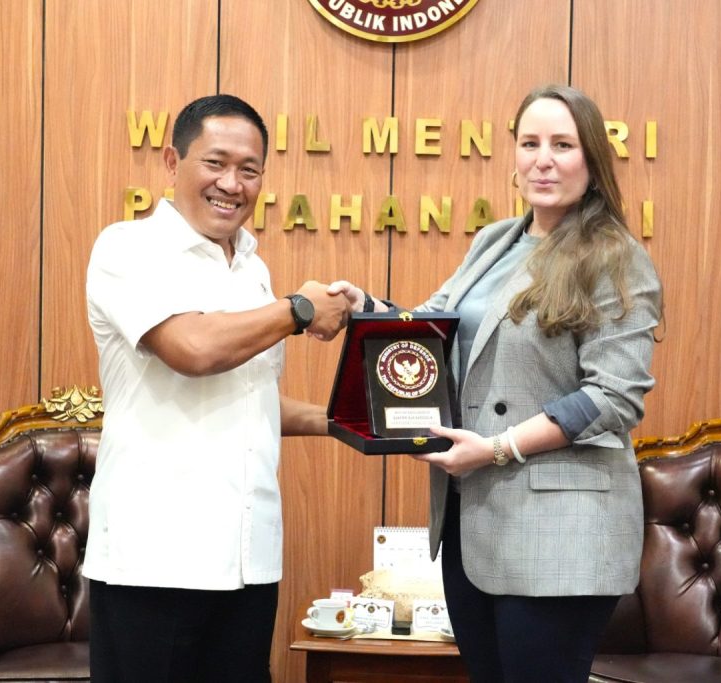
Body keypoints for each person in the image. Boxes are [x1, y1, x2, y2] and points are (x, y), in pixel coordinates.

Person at [330, 84, 662, 682]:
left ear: (592, 158)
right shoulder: (496, 241)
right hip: (474, 518)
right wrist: (367, 309)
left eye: (562, 145)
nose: (543, 160)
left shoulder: (617, 257)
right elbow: (433, 330)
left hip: (561, 532)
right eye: (530, 143)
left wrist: (498, 448)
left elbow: (614, 397)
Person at [84, 94, 349, 683]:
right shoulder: (127, 248)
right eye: (216, 163)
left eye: (249, 170)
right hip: (154, 562)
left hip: (248, 559)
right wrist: (299, 309)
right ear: (171, 162)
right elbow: (193, 350)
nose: (232, 184)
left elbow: (251, 398)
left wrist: (346, 420)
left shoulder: (252, 268)